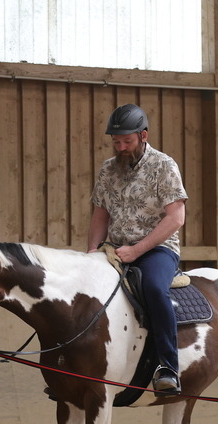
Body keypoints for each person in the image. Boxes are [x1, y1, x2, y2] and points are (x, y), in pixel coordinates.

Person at [88, 104, 188, 394]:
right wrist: (93, 249)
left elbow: (176, 218)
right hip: (114, 249)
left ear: (143, 136)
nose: (121, 147)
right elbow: (100, 215)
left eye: (127, 141)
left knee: (155, 289)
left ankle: (168, 366)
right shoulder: (108, 169)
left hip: (157, 249)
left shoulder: (164, 166)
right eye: (116, 142)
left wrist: (138, 250)